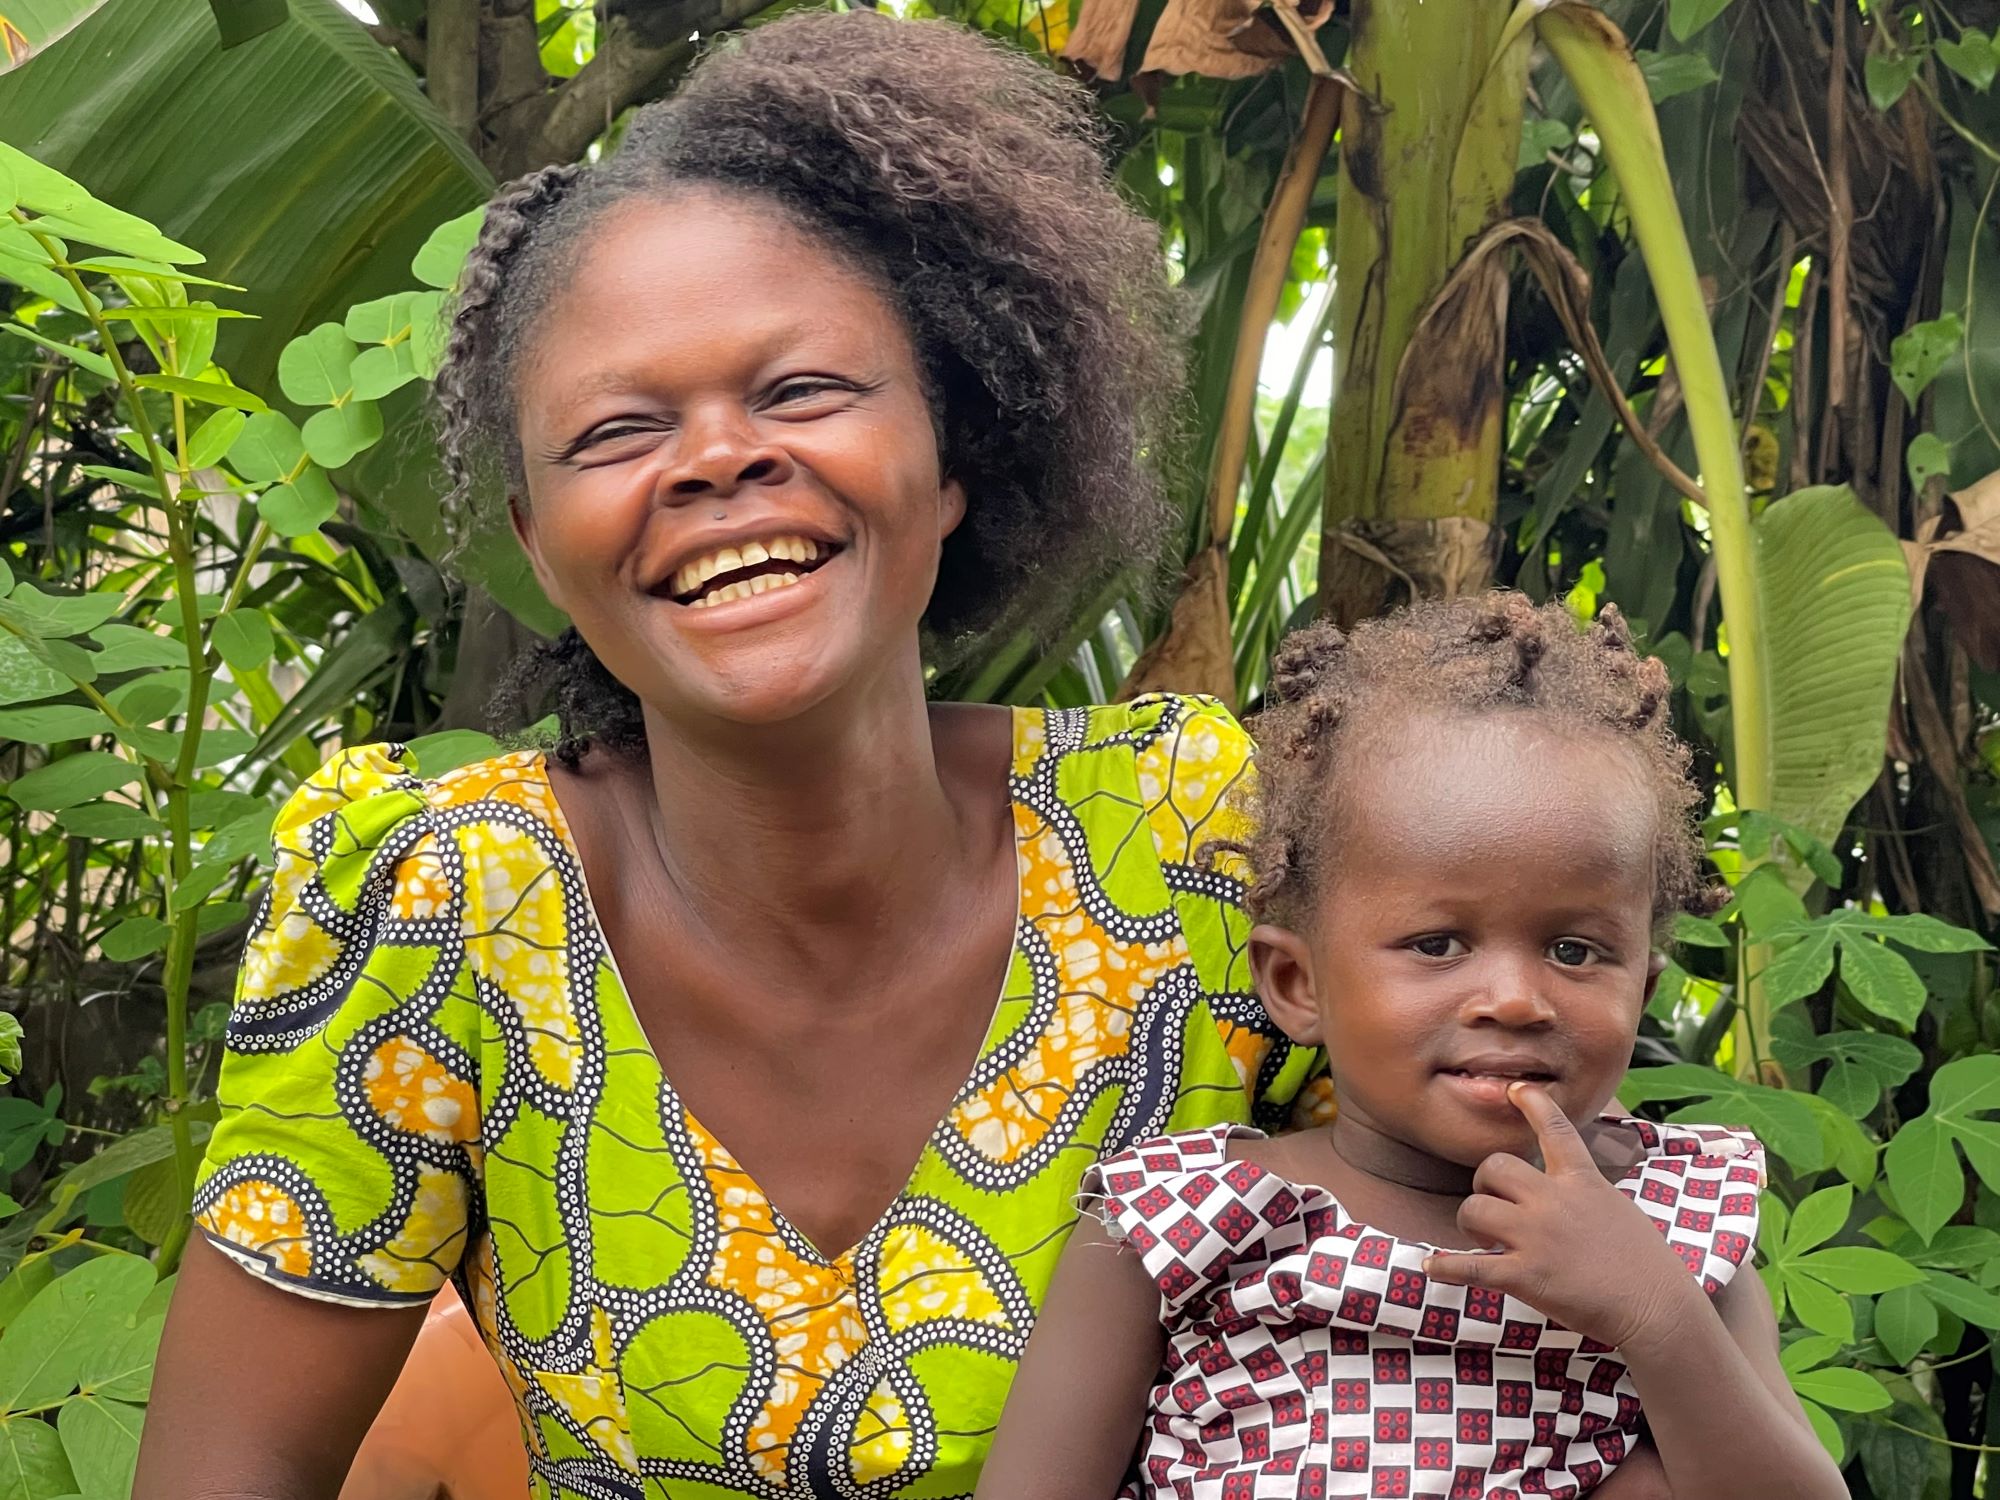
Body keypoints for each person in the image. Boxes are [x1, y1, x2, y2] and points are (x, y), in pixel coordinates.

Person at [133, 12, 1322, 1498]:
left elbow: (1524, 1323)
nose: (712, 460)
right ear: (536, 550)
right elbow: (227, 1469)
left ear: (949, 459)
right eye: (618, 431)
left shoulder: (1200, 846)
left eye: (800, 391)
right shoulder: (451, 904)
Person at [974, 595, 1848, 1500]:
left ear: (1645, 990)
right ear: (1296, 986)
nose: (1513, 999)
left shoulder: (1672, 1226)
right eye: (1437, 944)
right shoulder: (1182, 1225)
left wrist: (1656, 1316)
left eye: (1575, 951)